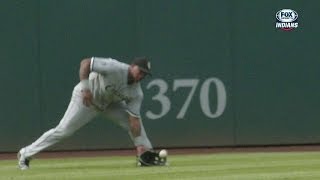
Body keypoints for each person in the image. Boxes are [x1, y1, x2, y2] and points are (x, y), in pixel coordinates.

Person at [18, 56, 156, 170]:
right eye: (140, 71)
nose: (141, 75)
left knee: (134, 122)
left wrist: (140, 145)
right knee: (63, 130)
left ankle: (147, 155)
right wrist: (85, 88)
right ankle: (25, 154)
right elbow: (85, 63)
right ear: (132, 66)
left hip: (109, 104)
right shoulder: (115, 67)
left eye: (145, 74)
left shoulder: (136, 93)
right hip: (86, 98)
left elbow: (134, 121)